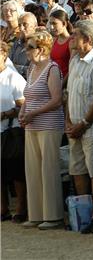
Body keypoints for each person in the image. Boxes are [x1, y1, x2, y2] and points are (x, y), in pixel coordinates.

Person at [65, 20, 93, 234]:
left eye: (75, 35)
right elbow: (69, 94)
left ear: (88, 39)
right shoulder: (74, 60)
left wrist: (84, 123)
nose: (71, 38)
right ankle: (83, 214)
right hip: (74, 126)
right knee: (77, 170)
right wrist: (68, 121)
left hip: (92, 128)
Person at [19, 31, 65, 229]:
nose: (26, 51)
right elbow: (28, 96)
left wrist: (33, 113)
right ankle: (36, 214)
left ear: (41, 49)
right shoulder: (31, 68)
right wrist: (23, 112)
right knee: (33, 169)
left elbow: (56, 100)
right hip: (31, 125)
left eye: (30, 48)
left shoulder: (52, 69)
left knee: (48, 169)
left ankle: (53, 216)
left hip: (49, 125)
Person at [0, 41, 27, 223]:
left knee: (16, 172)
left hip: (11, 130)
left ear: (3, 54)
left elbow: (25, 105)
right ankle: (3, 208)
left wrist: (5, 113)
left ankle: (20, 208)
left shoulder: (13, 78)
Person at [48, 10, 72, 77]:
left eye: (54, 23)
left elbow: (71, 69)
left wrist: (61, 85)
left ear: (64, 24)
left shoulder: (71, 42)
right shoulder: (54, 40)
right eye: (50, 24)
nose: (52, 27)